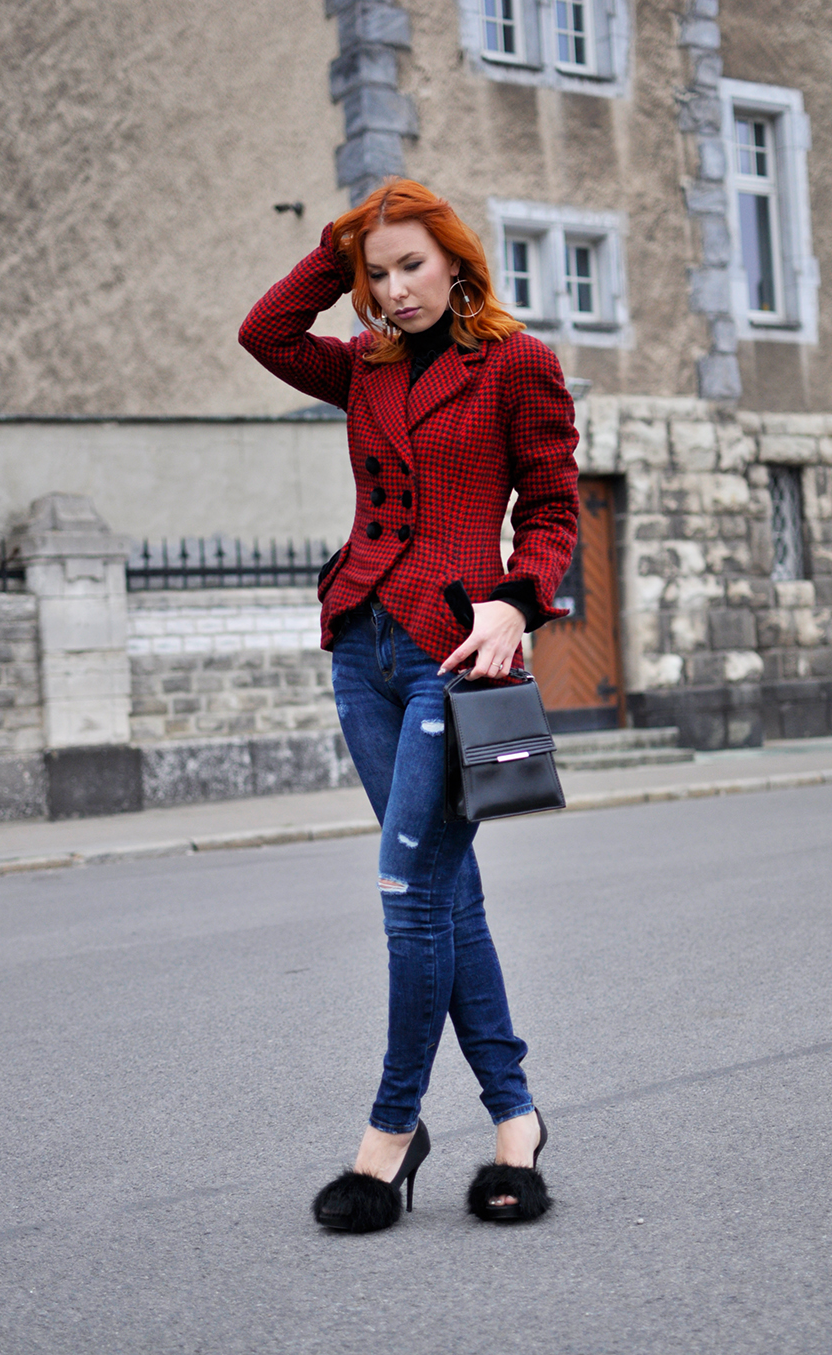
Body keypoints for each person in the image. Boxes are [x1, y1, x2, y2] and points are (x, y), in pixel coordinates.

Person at [239, 178, 579, 1232]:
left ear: (456, 262)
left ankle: (390, 1134)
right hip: (362, 647)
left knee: (407, 888)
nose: (394, 289)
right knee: (447, 892)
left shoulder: (516, 363)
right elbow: (264, 332)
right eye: (376, 274)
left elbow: (554, 507)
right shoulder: (364, 366)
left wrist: (517, 602)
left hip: (453, 650)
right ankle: (516, 1118)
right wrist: (339, 241)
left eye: (412, 265)